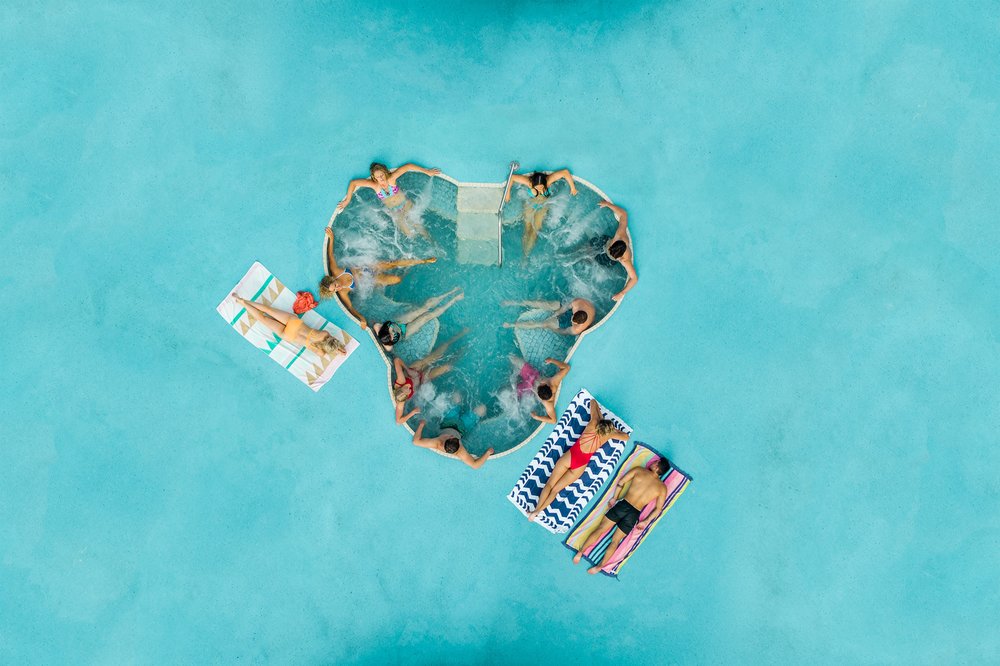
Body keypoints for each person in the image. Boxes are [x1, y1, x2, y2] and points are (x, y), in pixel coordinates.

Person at [526, 398, 630, 521]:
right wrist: (614, 431)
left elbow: (593, 402)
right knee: (555, 490)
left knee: (549, 484)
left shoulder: (594, 422)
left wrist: (599, 416)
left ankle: (535, 509)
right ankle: (537, 512)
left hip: (570, 457)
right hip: (580, 465)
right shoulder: (609, 435)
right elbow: (626, 437)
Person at [320, 227, 435, 329]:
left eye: (335, 285)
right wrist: (361, 318)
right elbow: (350, 307)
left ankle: (423, 261)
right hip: (370, 280)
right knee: (397, 279)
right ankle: (407, 271)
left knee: (392, 264)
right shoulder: (343, 292)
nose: (337, 288)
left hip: (367, 268)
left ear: (333, 279)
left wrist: (331, 238)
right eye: (334, 290)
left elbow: (330, 255)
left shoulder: (336, 271)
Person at [572, 457, 672, 574]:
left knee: (600, 529)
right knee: (615, 541)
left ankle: (580, 553)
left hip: (623, 505)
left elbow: (621, 482)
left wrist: (614, 498)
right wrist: (645, 521)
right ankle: (599, 567)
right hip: (634, 514)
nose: (652, 462)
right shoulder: (662, 488)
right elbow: (658, 509)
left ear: (657, 467)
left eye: (655, 462)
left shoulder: (640, 470)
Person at [336, 161, 441, 237]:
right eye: (378, 177)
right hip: (395, 212)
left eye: (382, 175)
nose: (381, 178)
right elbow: (353, 183)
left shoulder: (391, 179)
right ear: (374, 177)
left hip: (406, 205)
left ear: (385, 173)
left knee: (418, 225)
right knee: (409, 234)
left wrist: (427, 172)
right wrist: (348, 200)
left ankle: (430, 240)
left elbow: (408, 166)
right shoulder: (375, 186)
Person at [232, 295, 348, 357]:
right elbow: (328, 350)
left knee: (268, 309)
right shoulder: (320, 352)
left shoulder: (325, 334)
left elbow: (332, 340)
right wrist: (336, 351)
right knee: (263, 318)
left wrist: (338, 347)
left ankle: (243, 300)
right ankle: (243, 305)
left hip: (294, 323)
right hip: (289, 335)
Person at [392, 329, 469, 424]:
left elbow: (397, 360)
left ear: (400, 387)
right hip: (422, 379)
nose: (408, 389)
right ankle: (461, 352)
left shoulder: (401, 380)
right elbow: (398, 421)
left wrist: (407, 369)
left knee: (440, 352)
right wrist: (412, 412)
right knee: (447, 367)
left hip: (415, 369)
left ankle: (460, 334)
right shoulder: (401, 401)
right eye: (408, 393)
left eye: (405, 388)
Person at [503, 169, 578, 256]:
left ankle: (526, 255)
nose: (539, 189)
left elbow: (565, 172)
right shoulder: (529, 183)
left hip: (543, 206)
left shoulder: (548, 181)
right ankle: (524, 252)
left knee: (535, 230)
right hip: (530, 205)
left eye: (541, 187)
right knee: (527, 229)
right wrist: (508, 192)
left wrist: (573, 187)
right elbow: (512, 177)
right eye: (537, 187)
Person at [373, 287, 464, 353]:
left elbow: (376, 325)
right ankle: (455, 299)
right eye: (393, 336)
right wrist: (385, 341)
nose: (393, 333)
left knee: (423, 308)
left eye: (391, 332)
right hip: (406, 331)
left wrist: (382, 335)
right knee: (427, 317)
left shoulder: (379, 328)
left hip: (398, 322)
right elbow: (389, 349)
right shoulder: (388, 344)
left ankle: (451, 291)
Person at [587, 201, 637, 302]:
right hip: (605, 242)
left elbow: (634, 279)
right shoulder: (620, 235)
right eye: (611, 250)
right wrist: (608, 205)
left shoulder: (625, 260)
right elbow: (624, 214)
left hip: (607, 259)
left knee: (591, 260)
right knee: (587, 247)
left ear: (620, 257)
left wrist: (621, 293)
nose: (609, 251)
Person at [508, 356, 571, 423]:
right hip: (532, 375)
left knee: (511, 392)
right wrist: (552, 360)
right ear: (548, 386)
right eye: (543, 383)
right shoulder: (553, 382)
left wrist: (537, 417)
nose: (541, 382)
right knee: (513, 358)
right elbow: (567, 368)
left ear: (538, 393)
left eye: (540, 384)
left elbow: (553, 420)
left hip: (528, 388)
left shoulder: (548, 404)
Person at [411, 420, 494, 470]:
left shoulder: (437, 443)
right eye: (453, 437)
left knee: (456, 397)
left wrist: (421, 425)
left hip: (447, 423)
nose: (452, 435)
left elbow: (416, 441)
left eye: (451, 437)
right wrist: (487, 453)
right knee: (481, 410)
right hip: (461, 428)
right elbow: (475, 465)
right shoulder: (460, 451)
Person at [502, 298, 596, 336]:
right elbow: (564, 308)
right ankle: (515, 302)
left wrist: (551, 327)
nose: (571, 319)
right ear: (576, 312)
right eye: (572, 317)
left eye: (573, 320)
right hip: (571, 310)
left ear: (576, 323)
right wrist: (555, 314)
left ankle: (512, 324)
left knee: (542, 324)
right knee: (547, 304)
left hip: (567, 323)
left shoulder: (577, 329)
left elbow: (562, 331)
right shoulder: (578, 303)